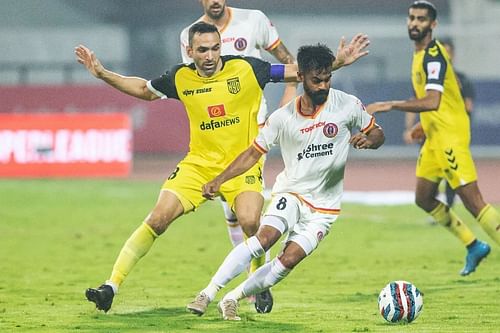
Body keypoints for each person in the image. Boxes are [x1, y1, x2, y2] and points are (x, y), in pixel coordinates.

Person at [75, 22, 370, 312]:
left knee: (252, 223)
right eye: (203, 50)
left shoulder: (247, 69)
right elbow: (143, 89)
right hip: (198, 165)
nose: (210, 56)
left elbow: (299, 72)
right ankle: (110, 286)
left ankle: (259, 284)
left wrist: (338, 63)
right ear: (190, 51)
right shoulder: (180, 78)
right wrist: (102, 73)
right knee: (157, 219)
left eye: (215, 48)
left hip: (243, 165)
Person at [186, 43, 385, 320]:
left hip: (324, 209)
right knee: (263, 240)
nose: (323, 85)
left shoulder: (347, 105)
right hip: (290, 193)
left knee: (287, 261)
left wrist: (370, 140)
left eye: (328, 78)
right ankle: (207, 293)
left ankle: (232, 298)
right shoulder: (282, 119)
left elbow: (377, 132)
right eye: (317, 80)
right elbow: (252, 154)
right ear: (301, 77)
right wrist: (219, 180)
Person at [366, 0, 499, 276]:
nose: (415, 23)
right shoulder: (418, 54)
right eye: (412, 18)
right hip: (434, 137)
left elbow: (433, 100)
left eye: (421, 19)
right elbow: (442, 100)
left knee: (475, 203)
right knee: (424, 198)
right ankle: (473, 245)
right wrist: (424, 127)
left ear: (433, 24)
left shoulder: (434, 56)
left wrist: (389, 105)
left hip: (450, 138)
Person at [180, 1, 297, 312]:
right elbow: (195, 87)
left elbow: (288, 61)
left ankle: (258, 281)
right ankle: (254, 276)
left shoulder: (254, 20)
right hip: (218, 137)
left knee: (249, 217)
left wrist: (287, 102)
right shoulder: (188, 36)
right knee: (232, 215)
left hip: (252, 129)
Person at [404, 37, 476, 209]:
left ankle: (450, 204)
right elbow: (415, 101)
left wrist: (451, 122)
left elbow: (468, 106)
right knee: (429, 177)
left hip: (452, 134)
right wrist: (411, 127)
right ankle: (437, 207)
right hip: (430, 133)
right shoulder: (425, 79)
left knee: (454, 175)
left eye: (448, 51)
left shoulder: (462, 79)